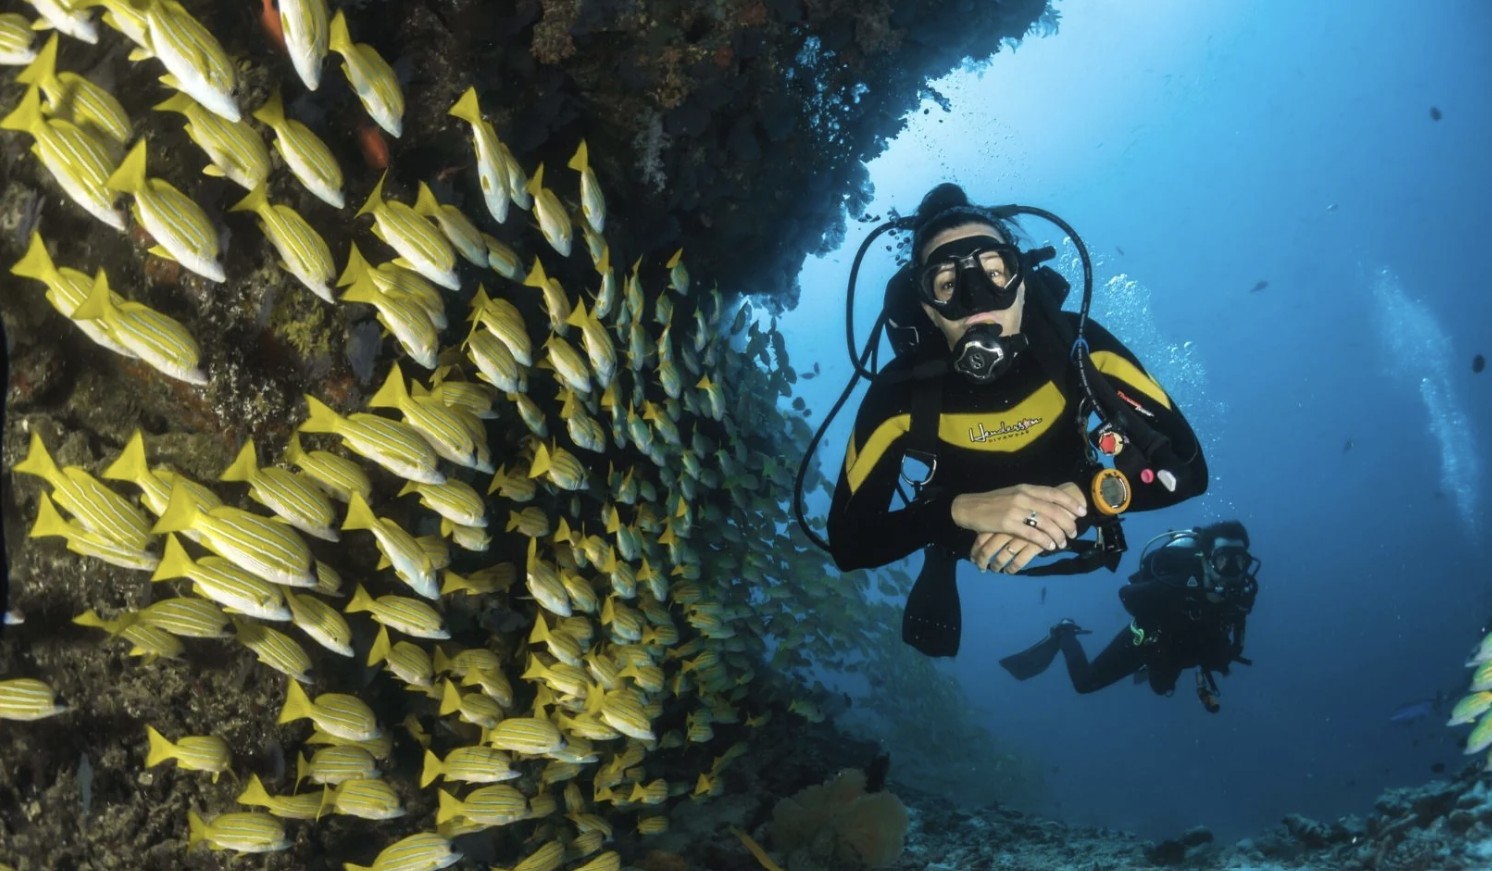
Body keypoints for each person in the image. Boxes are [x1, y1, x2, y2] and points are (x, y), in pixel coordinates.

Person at [825, 183, 1209, 656]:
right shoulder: (899, 393)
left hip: (1080, 501)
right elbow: (849, 543)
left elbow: (1189, 470)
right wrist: (955, 513)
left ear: (1022, 281)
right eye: (946, 284)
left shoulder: (1080, 347)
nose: (975, 298)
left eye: (994, 272)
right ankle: (941, 554)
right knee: (941, 538)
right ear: (927, 307)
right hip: (962, 531)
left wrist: (1089, 497)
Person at [1000, 521, 1258, 712]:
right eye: (1224, 559)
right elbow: (1128, 594)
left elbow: (1232, 635)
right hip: (1146, 641)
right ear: (1206, 559)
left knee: (1161, 687)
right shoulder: (1179, 583)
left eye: (1240, 561)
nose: (1233, 570)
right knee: (1085, 683)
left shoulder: (1241, 594)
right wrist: (1165, 617)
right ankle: (1064, 632)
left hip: (1185, 649)